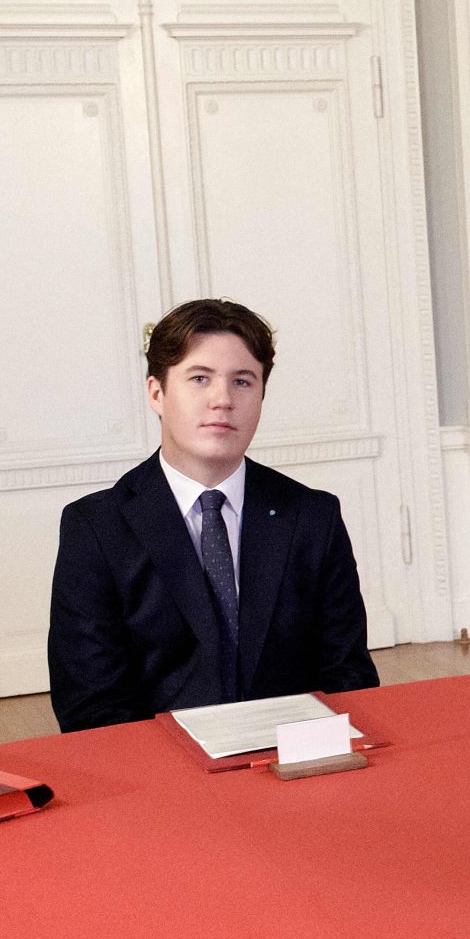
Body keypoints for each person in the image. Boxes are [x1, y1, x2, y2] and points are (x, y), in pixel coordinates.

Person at [48, 297, 377, 733]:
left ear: (261, 395)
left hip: (293, 755)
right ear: (157, 393)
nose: (222, 400)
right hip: (161, 764)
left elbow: (348, 676)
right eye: (199, 378)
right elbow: (91, 704)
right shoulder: (95, 528)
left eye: (242, 381)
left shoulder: (313, 517)